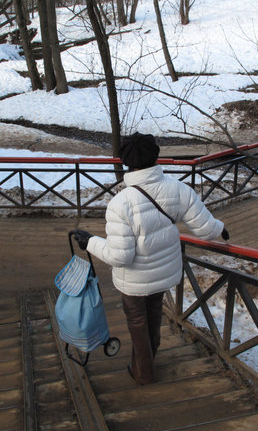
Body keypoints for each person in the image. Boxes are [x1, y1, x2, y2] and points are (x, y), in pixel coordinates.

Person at [72, 133, 229, 385]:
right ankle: (150, 357)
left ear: (126, 163)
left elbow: (120, 256)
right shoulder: (178, 189)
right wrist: (220, 229)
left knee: (137, 322)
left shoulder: (120, 203)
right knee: (154, 313)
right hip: (165, 273)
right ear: (155, 156)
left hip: (134, 281)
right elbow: (205, 227)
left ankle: (143, 373)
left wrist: (89, 242)